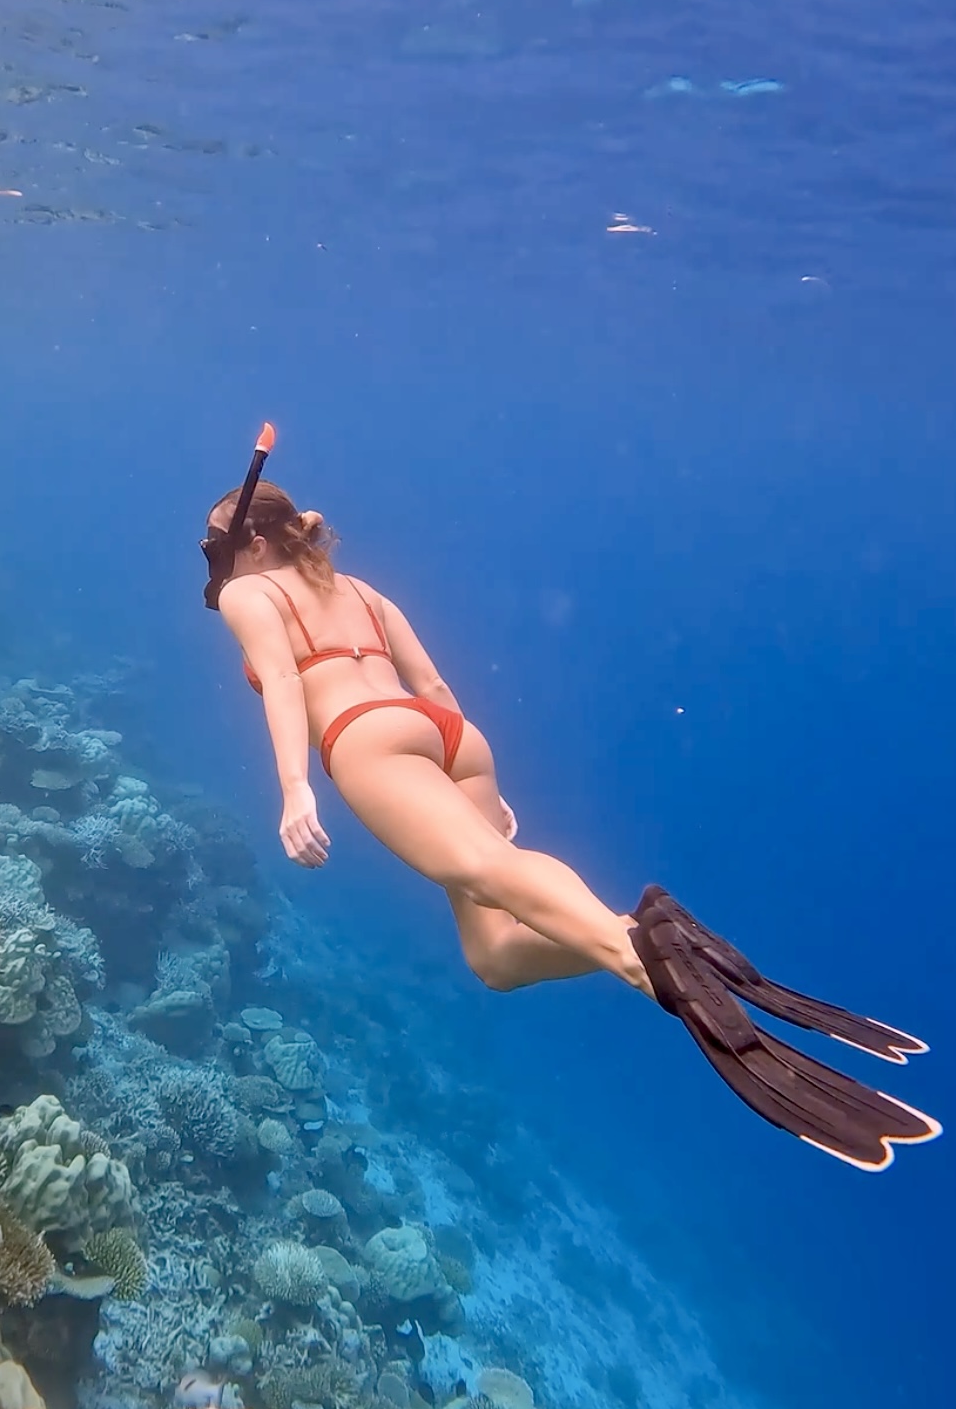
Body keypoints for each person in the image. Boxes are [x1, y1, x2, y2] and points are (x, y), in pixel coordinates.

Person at [202, 439, 940, 1173]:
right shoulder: (364, 590)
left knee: (492, 868)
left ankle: (637, 960)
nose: (213, 560)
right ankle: (643, 932)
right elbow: (436, 690)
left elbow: (284, 681)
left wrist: (296, 787)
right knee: (493, 955)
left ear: (255, 542)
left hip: (365, 742)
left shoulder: (247, 592)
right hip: (450, 739)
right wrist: (474, 777)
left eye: (215, 544)